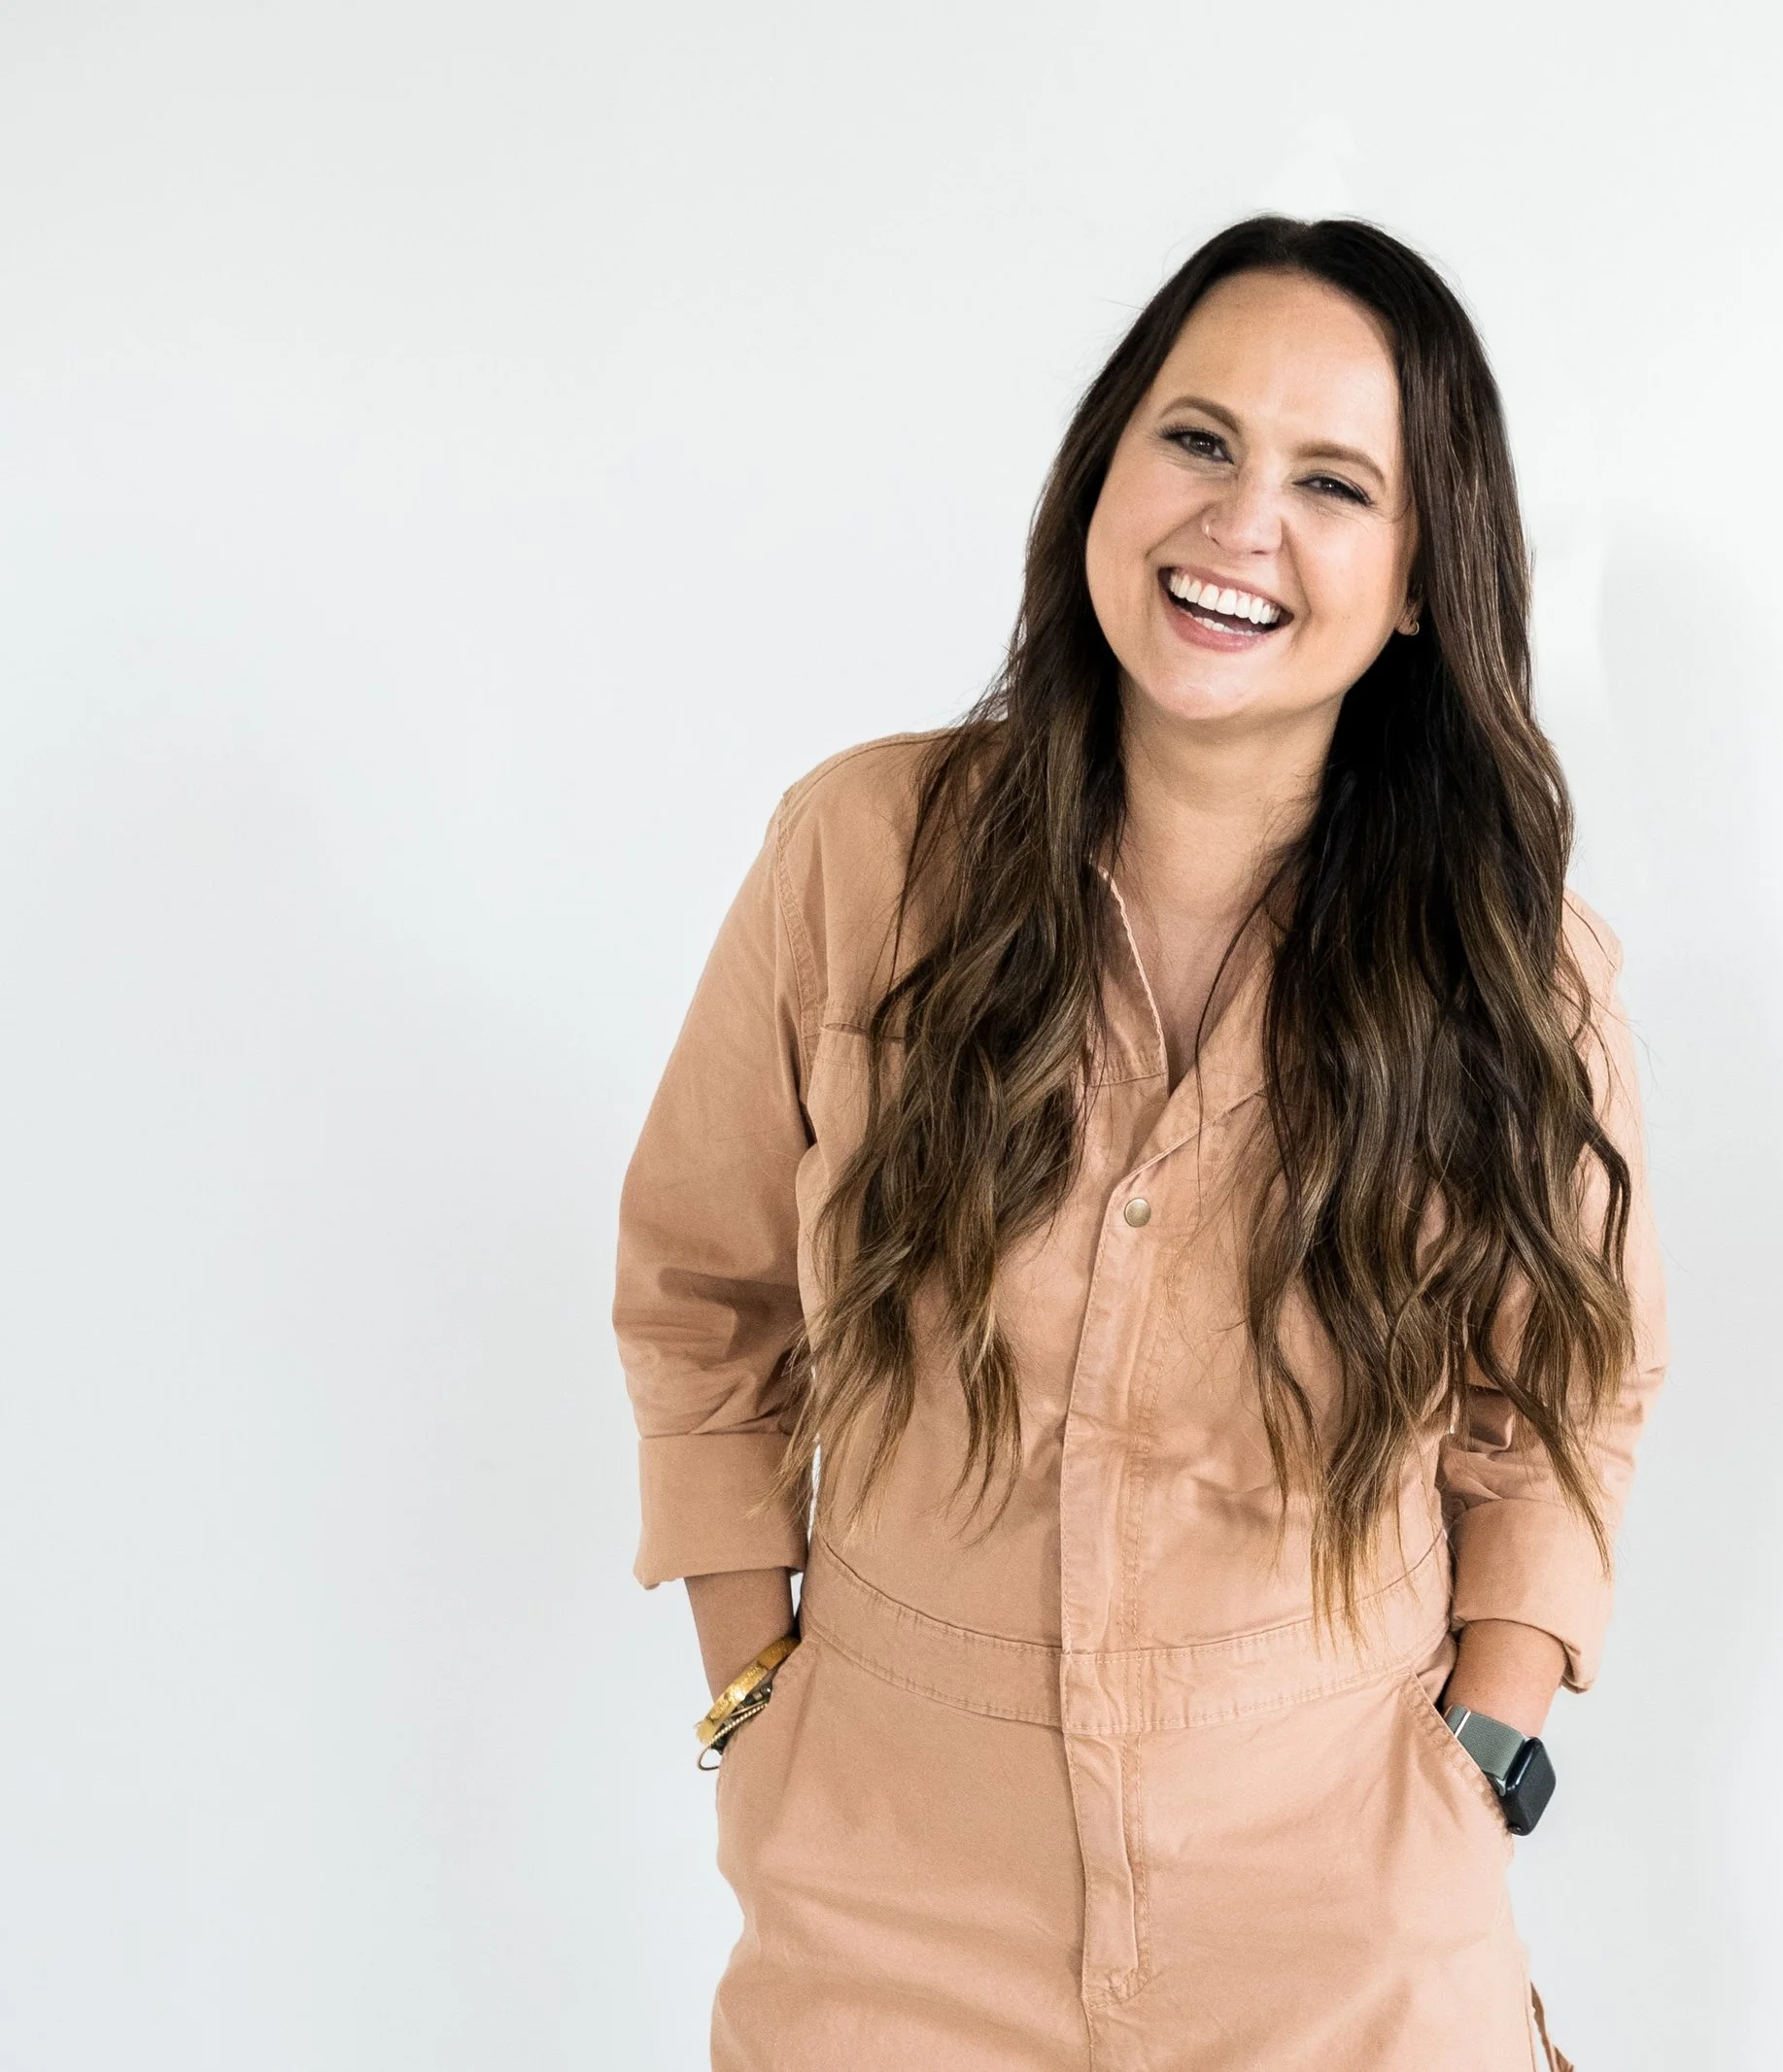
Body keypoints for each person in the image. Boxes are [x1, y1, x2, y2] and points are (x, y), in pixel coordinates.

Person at [613, 215, 1668, 2072]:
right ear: (1104, 467)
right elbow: (702, 1295)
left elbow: (1568, 1395)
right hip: (886, 1898)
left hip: (1343, 1908)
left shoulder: (1514, 967)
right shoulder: (860, 858)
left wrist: (1483, 1746)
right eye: (1197, 440)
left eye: (1334, 481)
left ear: (1424, 577)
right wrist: (755, 1693)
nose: (1240, 523)